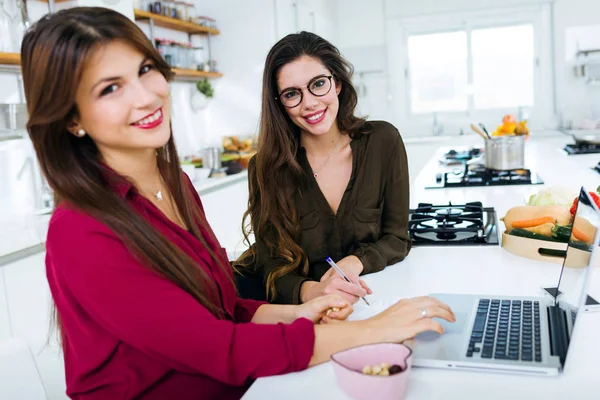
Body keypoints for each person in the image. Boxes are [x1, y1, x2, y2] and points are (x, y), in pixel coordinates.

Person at [21, 8, 453, 399]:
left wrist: (299, 312)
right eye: (111, 88)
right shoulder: (80, 229)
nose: (145, 96)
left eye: (146, 69)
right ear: (72, 118)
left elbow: (223, 310)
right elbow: (219, 348)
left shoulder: (177, 185)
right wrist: (374, 330)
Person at [235, 32, 412, 305]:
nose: (310, 103)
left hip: (379, 300)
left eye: (318, 84)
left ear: (337, 83)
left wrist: (355, 262)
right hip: (307, 313)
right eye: (292, 93)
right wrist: (315, 293)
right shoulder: (265, 169)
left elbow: (397, 239)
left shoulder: (383, 141)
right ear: (279, 104)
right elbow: (271, 269)